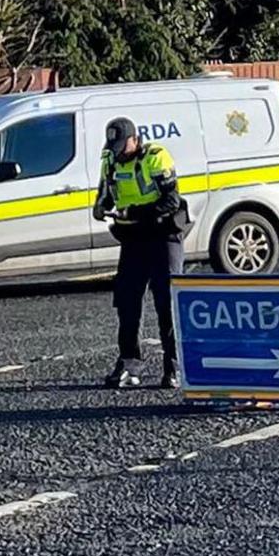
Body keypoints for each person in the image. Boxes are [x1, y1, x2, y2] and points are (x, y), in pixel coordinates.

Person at [94, 116, 188, 389]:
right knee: (127, 301)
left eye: (124, 145)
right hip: (133, 238)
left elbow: (171, 200)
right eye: (116, 146)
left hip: (163, 235)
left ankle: (174, 366)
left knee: (166, 302)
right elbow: (105, 193)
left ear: (135, 139)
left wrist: (134, 211)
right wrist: (100, 207)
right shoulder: (110, 159)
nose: (120, 151)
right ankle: (128, 363)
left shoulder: (156, 157)